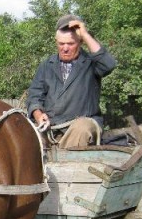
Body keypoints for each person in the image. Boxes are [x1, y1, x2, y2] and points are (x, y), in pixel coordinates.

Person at [26, 14, 117, 148]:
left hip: (83, 123)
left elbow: (109, 64)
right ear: (56, 42)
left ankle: (64, 165)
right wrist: (39, 115)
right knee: (25, 135)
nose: (65, 48)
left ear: (80, 43)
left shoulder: (90, 64)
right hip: (51, 126)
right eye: (61, 43)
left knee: (81, 128)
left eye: (70, 43)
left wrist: (85, 35)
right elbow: (34, 96)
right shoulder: (46, 65)